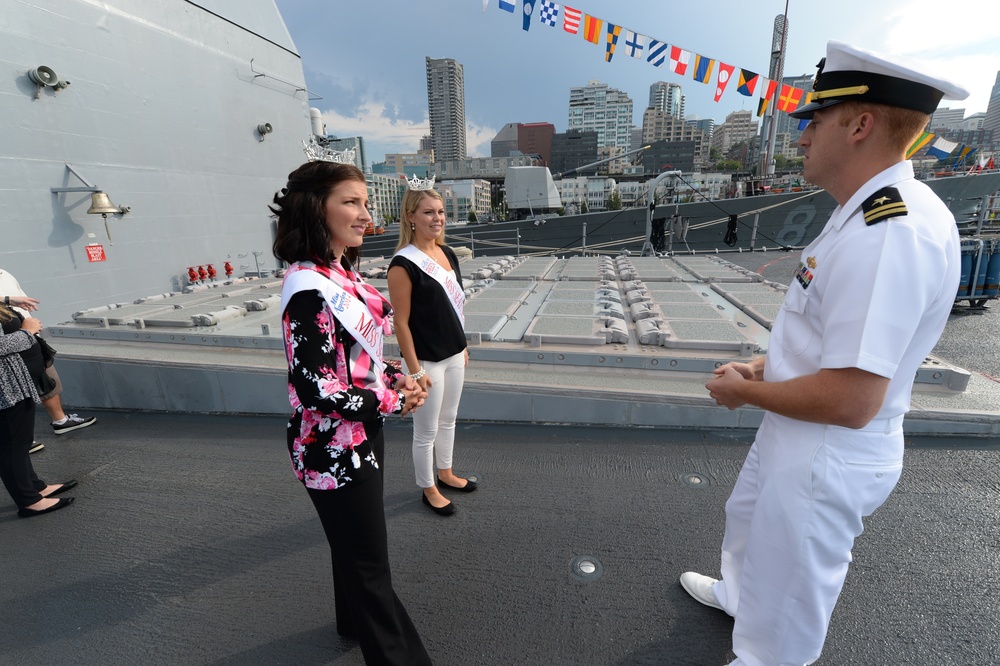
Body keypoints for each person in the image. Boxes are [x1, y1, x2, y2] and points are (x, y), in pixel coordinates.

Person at [679, 41, 968, 665]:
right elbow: (831, 338)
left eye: (816, 119)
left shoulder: (891, 234)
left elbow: (853, 399)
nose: (803, 135)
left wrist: (744, 391)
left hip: (827, 446)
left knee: (793, 579)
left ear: (860, 125)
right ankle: (739, 598)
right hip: (797, 425)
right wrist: (765, 368)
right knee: (751, 519)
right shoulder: (863, 214)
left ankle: (767, 656)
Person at [272, 160, 432, 666]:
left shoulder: (338, 272)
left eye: (365, 203)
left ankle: (351, 621)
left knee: (355, 548)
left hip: (360, 431)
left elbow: (354, 362)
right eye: (351, 202)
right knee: (370, 567)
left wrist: (393, 377)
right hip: (331, 445)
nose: (366, 214)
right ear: (315, 208)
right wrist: (395, 399)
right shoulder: (309, 289)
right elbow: (317, 386)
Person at [387, 185, 473, 517]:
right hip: (426, 361)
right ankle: (428, 488)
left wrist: (462, 344)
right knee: (426, 430)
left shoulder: (447, 253)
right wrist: (416, 371)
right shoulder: (402, 265)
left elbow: (455, 307)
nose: (437, 218)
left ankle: (446, 472)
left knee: (449, 420)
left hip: (454, 354)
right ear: (410, 217)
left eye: (440, 212)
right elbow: (401, 324)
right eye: (428, 212)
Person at [0, 269, 98, 437]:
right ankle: (15, 439)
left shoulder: (4, 274)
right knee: (14, 405)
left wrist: (10, 301)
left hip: (27, 339)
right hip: (14, 352)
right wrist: (25, 332)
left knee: (46, 382)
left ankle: (58, 421)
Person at [0, 305, 77, 517]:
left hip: (14, 385)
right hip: (5, 389)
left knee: (21, 441)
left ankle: (35, 487)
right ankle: (29, 501)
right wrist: (26, 330)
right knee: (12, 445)